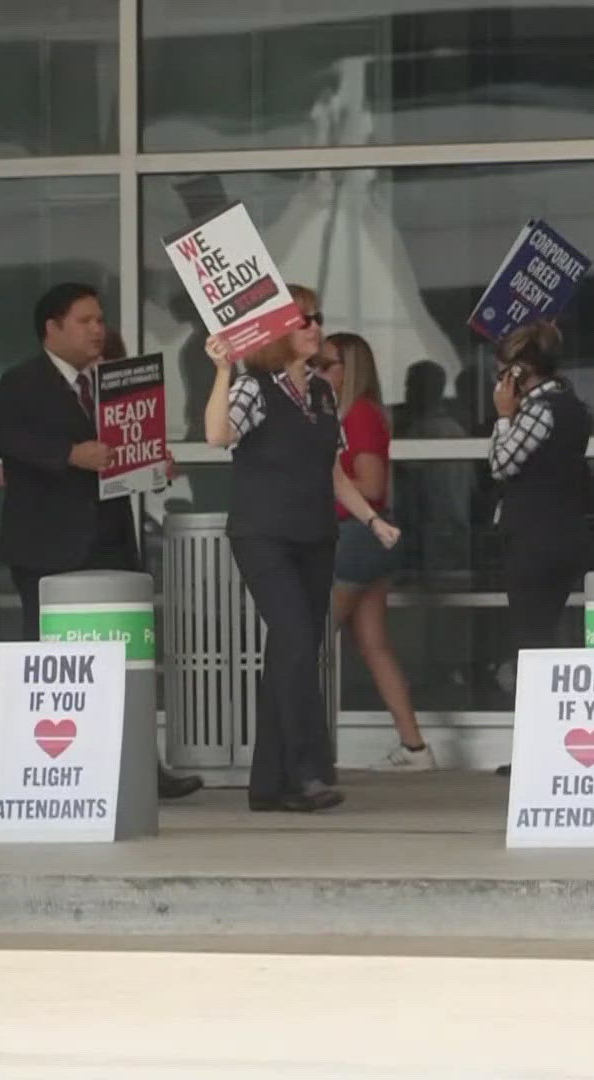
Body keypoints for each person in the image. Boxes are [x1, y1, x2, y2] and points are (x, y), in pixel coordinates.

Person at [0, 286, 204, 801]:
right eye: (84, 321)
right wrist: (67, 454)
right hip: (46, 544)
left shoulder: (113, 381)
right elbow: (1, 436)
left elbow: (125, 449)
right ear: (52, 329)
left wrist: (152, 462)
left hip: (109, 539)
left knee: (124, 657)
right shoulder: (25, 380)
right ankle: (59, 770)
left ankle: (141, 767)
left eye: (99, 319)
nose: (97, 329)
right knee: (55, 662)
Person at [204, 286, 402, 813]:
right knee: (293, 637)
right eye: (302, 321)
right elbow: (217, 435)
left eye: (316, 318)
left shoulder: (320, 391)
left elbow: (332, 470)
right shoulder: (253, 387)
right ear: (277, 334)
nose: (315, 327)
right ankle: (308, 770)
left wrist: (371, 519)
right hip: (262, 534)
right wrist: (223, 371)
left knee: (295, 650)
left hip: (315, 535)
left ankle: (269, 783)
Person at [322, 331, 433, 772]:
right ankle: (415, 748)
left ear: (351, 370)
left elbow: (372, 486)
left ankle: (290, 745)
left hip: (358, 537)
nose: (317, 372)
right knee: (374, 645)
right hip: (366, 539)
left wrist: (322, 492)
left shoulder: (359, 416)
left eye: (327, 365)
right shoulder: (348, 415)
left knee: (307, 638)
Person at [487, 320, 592, 672]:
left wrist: (504, 417)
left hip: (535, 538)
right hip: (563, 531)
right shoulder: (572, 405)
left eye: (502, 372)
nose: (498, 380)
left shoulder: (539, 410)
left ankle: (533, 713)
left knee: (531, 635)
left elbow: (502, 464)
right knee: (543, 629)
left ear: (518, 371)